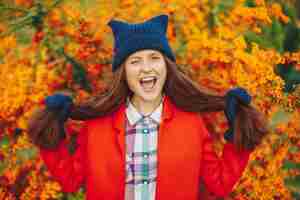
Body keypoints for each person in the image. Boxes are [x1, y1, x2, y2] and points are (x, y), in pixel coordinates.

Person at [27, 14, 268, 200]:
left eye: (154, 57)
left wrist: (240, 135)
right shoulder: (96, 127)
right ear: (124, 72)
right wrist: (52, 135)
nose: (146, 68)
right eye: (135, 61)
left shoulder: (191, 124)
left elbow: (220, 183)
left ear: (166, 67)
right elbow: (70, 180)